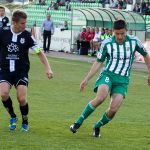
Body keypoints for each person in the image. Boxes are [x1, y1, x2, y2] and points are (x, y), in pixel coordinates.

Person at [70, 19, 150, 138]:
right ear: (113, 31)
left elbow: (146, 55)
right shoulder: (107, 43)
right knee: (100, 98)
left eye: (122, 33)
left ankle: (97, 126)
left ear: (126, 31)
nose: (119, 36)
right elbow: (98, 62)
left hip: (122, 81)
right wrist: (86, 79)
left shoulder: (134, 41)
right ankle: (77, 122)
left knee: (113, 110)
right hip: (108, 75)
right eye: (117, 33)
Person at [0, 10, 53, 132]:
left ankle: (25, 121)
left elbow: (40, 53)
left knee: (22, 99)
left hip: (21, 71)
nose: (25, 25)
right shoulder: (3, 32)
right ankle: (13, 117)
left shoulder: (27, 36)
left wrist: (48, 68)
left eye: (25, 23)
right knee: (3, 94)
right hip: (5, 70)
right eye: (22, 23)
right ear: (14, 22)